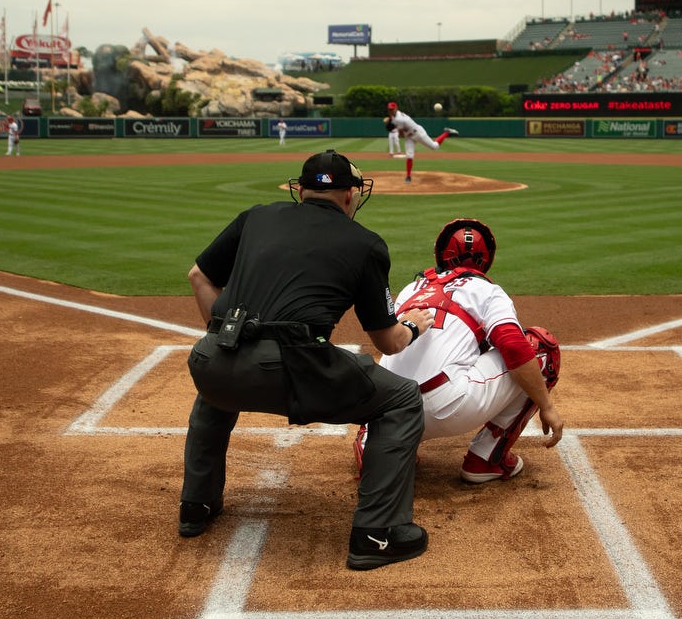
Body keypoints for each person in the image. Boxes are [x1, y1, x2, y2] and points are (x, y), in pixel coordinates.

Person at [180, 149, 439, 570]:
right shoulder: (365, 243)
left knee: (218, 390)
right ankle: (378, 533)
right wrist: (413, 324)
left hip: (210, 358)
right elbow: (389, 343)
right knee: (402, 399)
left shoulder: (256, 216)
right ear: (351, 196)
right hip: (291, 367)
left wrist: (225, 338)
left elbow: (198, 276)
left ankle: (196, 506)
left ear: (300, 190)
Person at [360, 219, 564, 484]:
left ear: (441, 254)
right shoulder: (487, 290)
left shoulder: (412, 289)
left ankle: (374, 446)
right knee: (539, 346)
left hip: (388, 409)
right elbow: (514, 346)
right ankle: (486, 459)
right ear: (485, 260)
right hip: (444, 408)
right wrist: (546, 405)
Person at [386, 101, 458, 184]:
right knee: (409, 156)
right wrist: (392, 123)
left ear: (396, 108)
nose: (390, 111)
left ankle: (447, 133)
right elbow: (393, 121)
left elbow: (401, 134)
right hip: (409, 137)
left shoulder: (399, 119)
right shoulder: (394, 116)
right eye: (389, 109)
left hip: (418, 133)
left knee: (434, 146)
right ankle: (408, 176)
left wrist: (393, 127)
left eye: (392, 109)